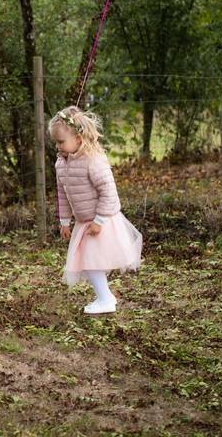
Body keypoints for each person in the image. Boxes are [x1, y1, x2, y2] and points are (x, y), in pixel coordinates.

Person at [49, 106, 142, 314]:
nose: (58, 146)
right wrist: (64, 221)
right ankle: (106, 297)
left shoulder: (93, 160)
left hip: (102, 220)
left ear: (79, 138)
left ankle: (105, 299)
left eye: (61, 141)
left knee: (90, 262)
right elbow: (62, 194)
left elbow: (109, 192)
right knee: (88, 261)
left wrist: (99, 221)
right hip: (84, 222)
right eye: (55, 142)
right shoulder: (61, 163)